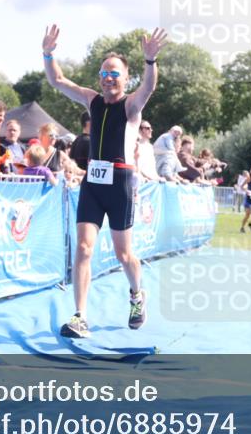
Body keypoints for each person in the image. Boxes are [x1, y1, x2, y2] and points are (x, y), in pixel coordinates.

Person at [42, 23, 168, 339]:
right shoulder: (92, 100)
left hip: (121, 184)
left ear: (126, 78)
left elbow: (149, 87)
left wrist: (150, 61)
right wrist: (48, 54)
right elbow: (58, 80)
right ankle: (80, 316)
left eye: (114, 74)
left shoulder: (132, 105)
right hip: (93, 185)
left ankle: (137, 294)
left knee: (124, 254)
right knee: (84, 248)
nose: (108, 78)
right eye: (104, 73)